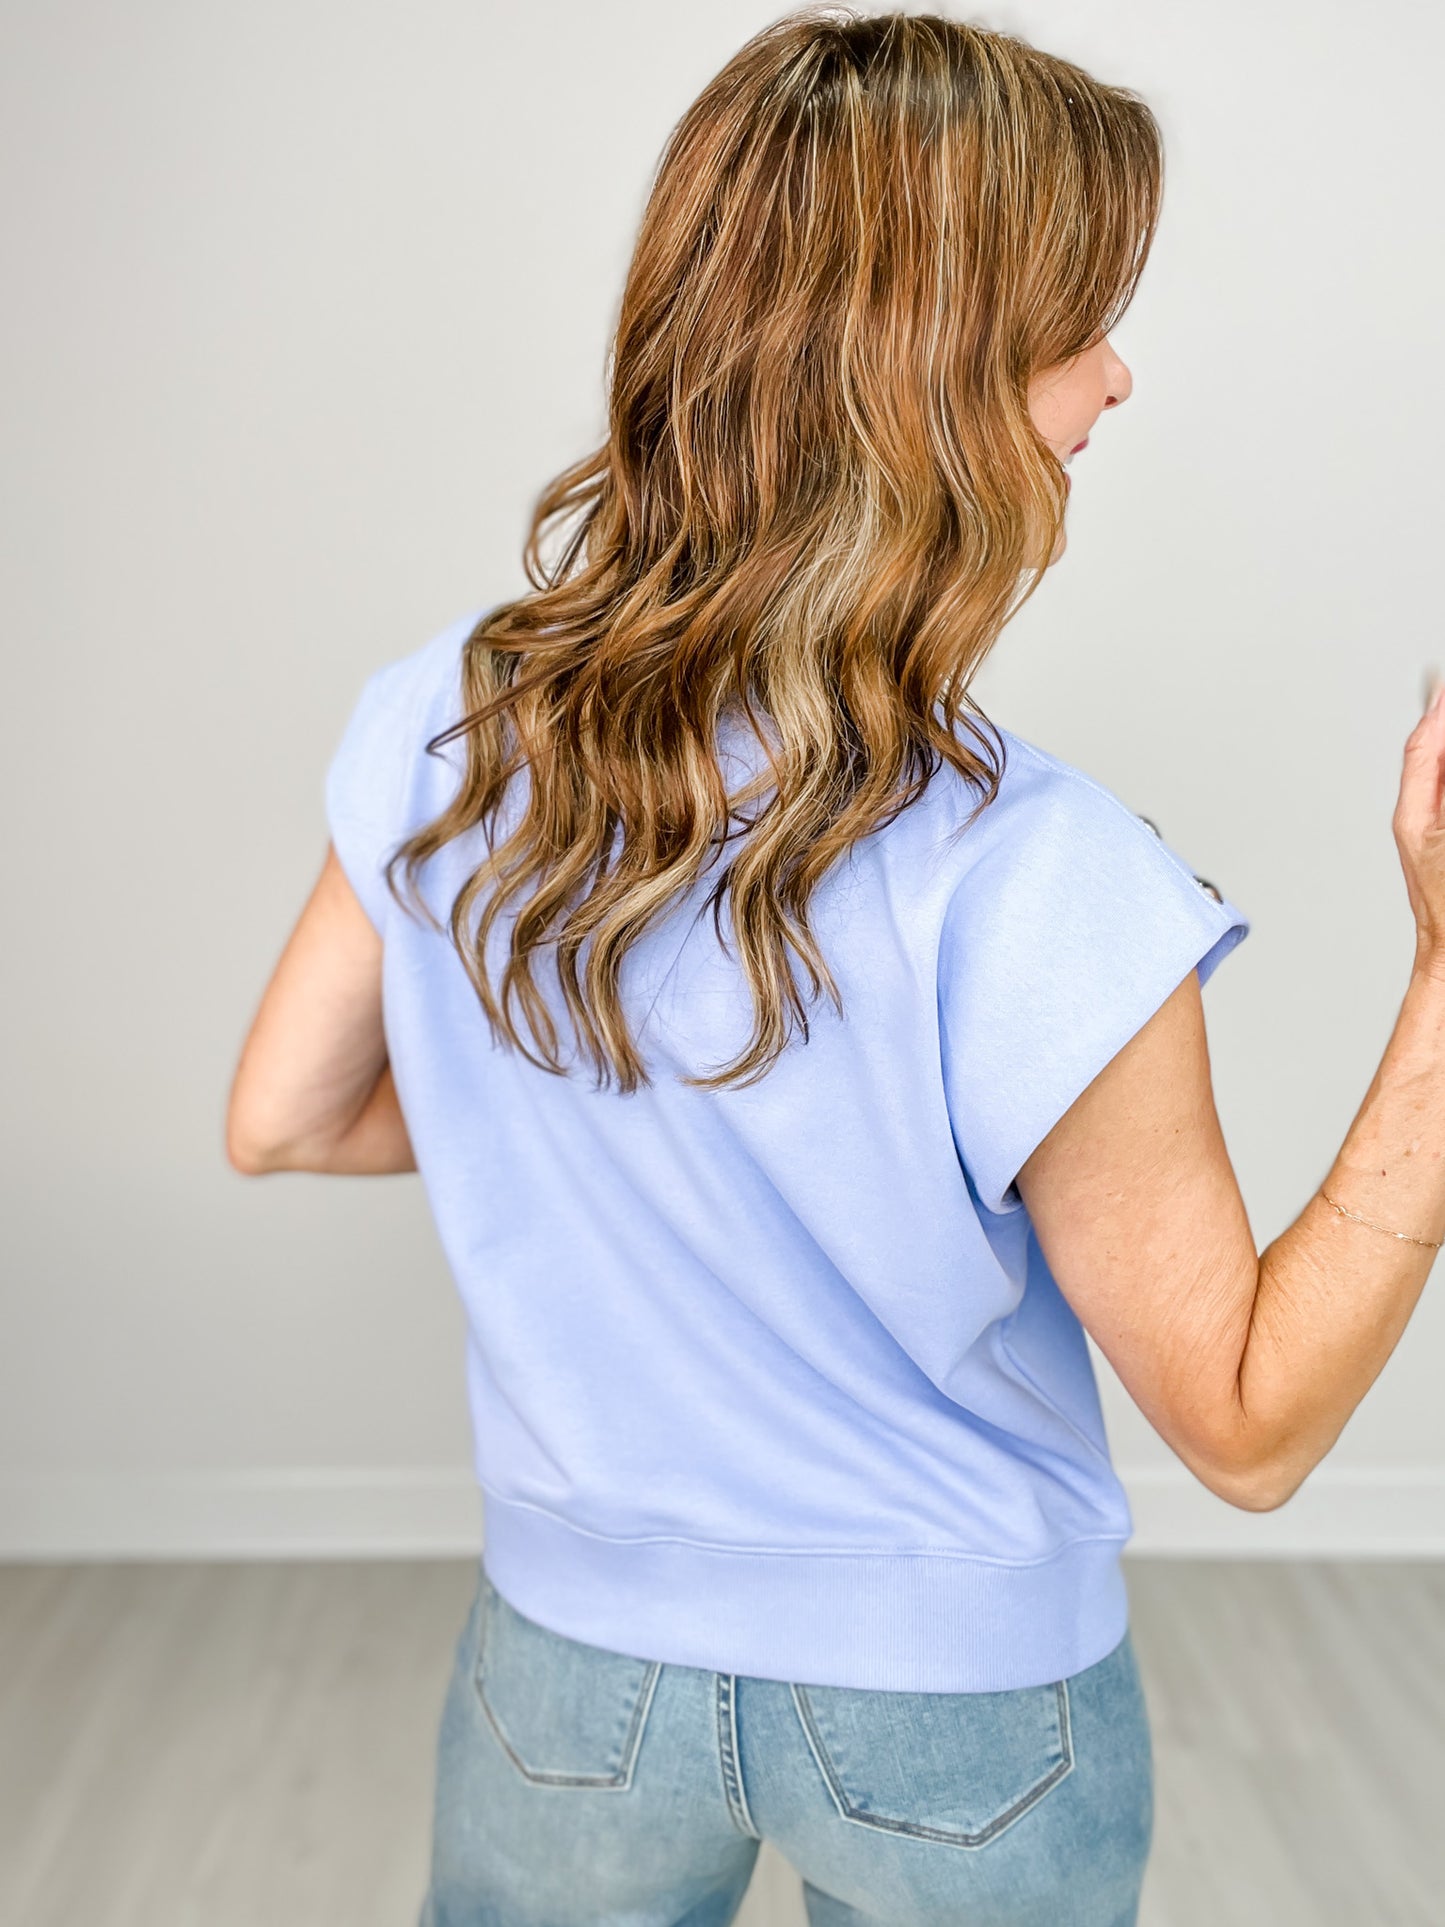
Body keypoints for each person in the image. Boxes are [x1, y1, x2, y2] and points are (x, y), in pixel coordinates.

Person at [226, 9, 1445, 1924]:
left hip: (570, 1673)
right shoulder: (1046, 878)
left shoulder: (446, 720)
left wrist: (613, 1143)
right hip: (952, 1713)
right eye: (1074, 325)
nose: (1114, 378)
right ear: (929, 381)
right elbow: (1251, 1425)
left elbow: (287, 1119)